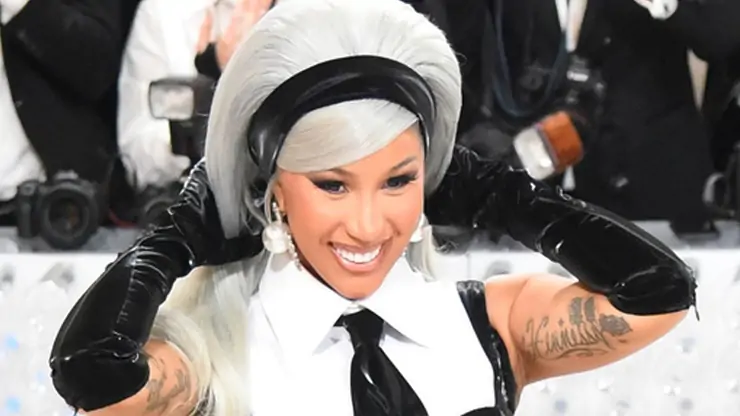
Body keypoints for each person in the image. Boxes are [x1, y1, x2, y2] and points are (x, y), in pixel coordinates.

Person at [49, 1, 696, 415]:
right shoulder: (210, 356)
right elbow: (89, 372)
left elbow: (658, 290)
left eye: (397, 181)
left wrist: (502, 195)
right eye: (333, 185)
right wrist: (180, 234)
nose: (366, 225)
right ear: (275, 189)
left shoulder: (490, 323)